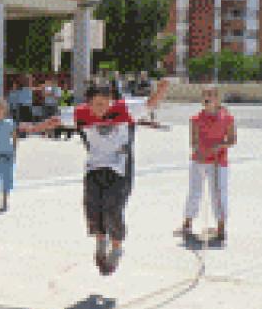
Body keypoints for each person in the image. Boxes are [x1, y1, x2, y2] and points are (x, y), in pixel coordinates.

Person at [45, 79, 171, 275]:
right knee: (93, 207)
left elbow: (150, 104)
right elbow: (57, 120)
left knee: (112, 208)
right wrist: (31, 127)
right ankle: (101, 241)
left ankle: (117, 247)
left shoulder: (125, 109)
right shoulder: (81, 113)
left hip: (119, 167)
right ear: (89, 103)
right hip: (94, 167)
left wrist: (161, 89)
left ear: (111, 100)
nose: (100, 108)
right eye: (96, 104)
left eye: (104, 103)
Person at [177, 86, 236, 241]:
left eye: (210, 95)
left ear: (217, 98)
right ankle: (187, 224)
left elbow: (232, 140)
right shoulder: (195, 119)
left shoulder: (227, 118)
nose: (207, 98)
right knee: (194, 191)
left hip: (218, 161)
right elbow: (193, 141)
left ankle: (221, 228)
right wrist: (198, 152)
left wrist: (220, 146)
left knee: (219, 193)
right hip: (199, 161)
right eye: (204, 95)